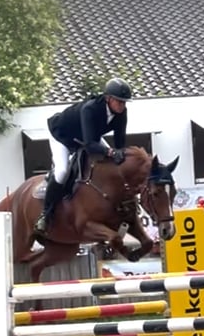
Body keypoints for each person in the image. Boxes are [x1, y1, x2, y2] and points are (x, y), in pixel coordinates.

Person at [33, 77, 132, 235]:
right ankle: (45, 215)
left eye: (124, 102)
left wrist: (119, 155)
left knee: (113, 162)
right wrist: (110, 152)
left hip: (89, 136)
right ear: (108, 98)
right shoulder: (90, 109)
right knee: (62, 171)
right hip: (62, 136)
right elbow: (89, 145)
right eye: (119, 101)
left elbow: (120, 142)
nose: (122, 105)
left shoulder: (121, 113)